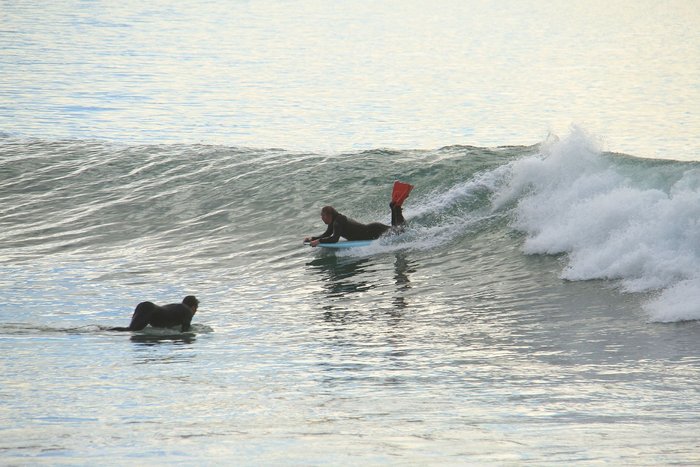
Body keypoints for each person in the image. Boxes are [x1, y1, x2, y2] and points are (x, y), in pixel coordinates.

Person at [304, 181, 413, 246]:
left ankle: (396, 206)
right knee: (396, 230)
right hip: (372, 229)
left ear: (329, 215)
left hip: (373, 231)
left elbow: (334, 238)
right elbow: (327, 234)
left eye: (322, 216)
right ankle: (394, 206)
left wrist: (318, 241)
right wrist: (313, 238)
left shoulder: (337, 222)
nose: (321, 218)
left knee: (400, 232)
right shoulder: (335, 221)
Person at [111, 295, 199, 332]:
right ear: (193, 307)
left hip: (145, 307)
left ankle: (104, 330)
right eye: (196, 310)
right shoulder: (187, 311)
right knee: (131, 330)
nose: (194, 313)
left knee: (130, 329)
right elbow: (185, 332)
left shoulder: (177, 307)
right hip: (149, 309)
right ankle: (102, 331)